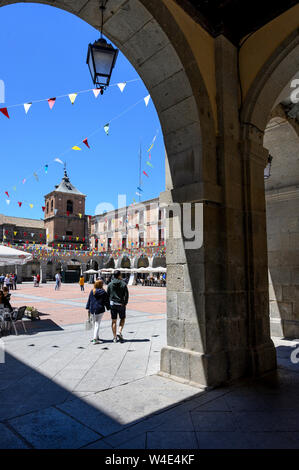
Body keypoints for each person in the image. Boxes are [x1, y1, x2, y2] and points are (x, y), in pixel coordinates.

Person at [107, 270, 129, 343]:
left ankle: (114, 337)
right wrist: (125, 303)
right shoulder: (123, 284)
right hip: (121, 304)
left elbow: (107, 295)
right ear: (119, 275)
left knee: (114, 321)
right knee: (122, 318)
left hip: (113, 304)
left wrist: (108, 305)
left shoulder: (110, 284)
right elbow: (126, 295)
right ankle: (119, 331)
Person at [86, 280, 110, 344]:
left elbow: (89, 300)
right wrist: (108, 308)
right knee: (97, 324)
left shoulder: (92, 291)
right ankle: (95, 339)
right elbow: (106, 301)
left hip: (92, 309)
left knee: (95, 324)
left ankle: (97, 337)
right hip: (100, 309)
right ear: (101, 285)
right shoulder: (103, 292)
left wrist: (87, 307)